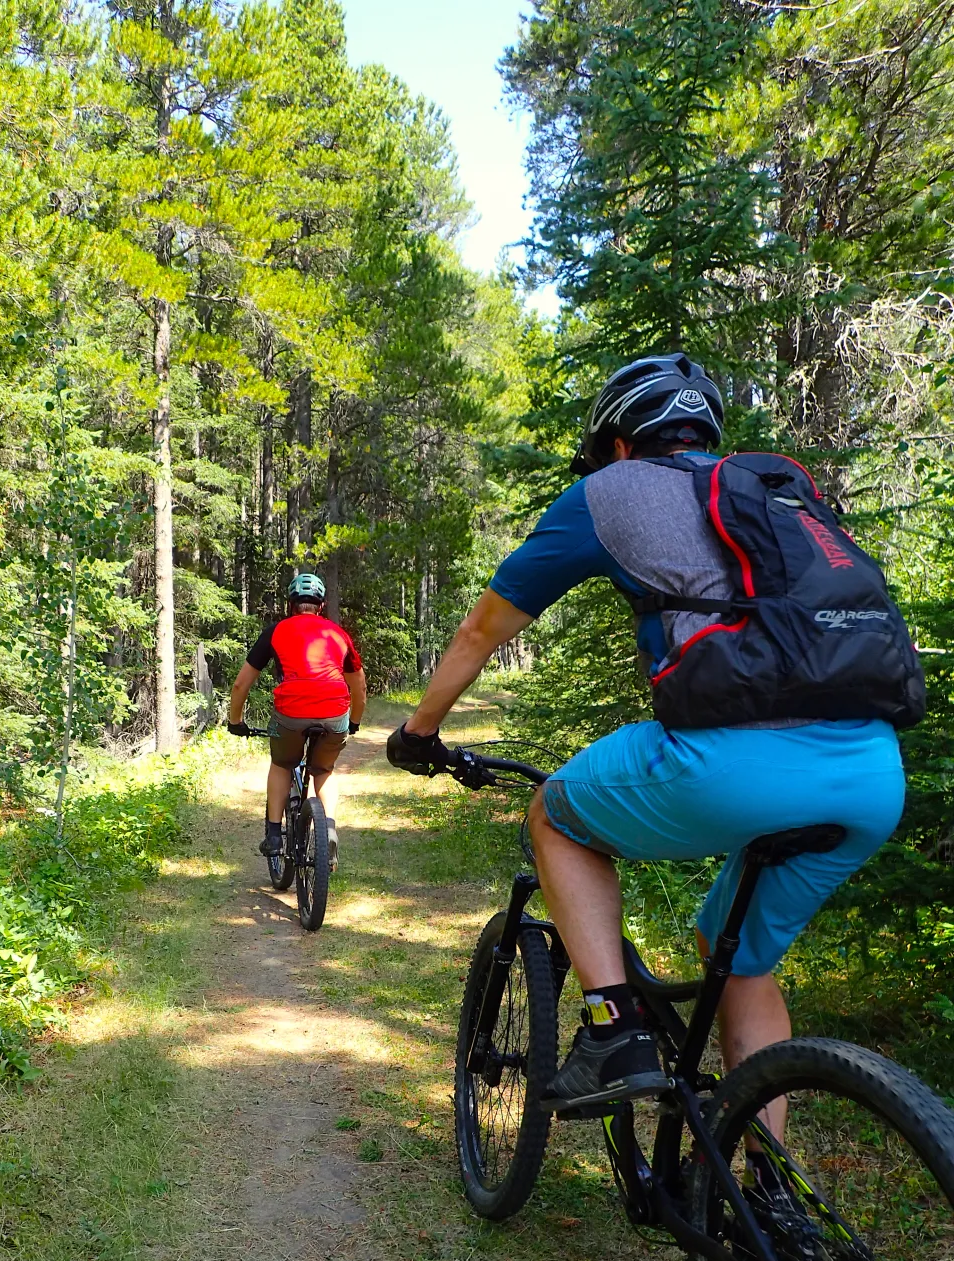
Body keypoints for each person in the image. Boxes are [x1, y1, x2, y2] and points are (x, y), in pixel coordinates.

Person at [387, 354, 908, 1122]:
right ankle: (769, 1203)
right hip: (870, 772)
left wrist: (419, 730)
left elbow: (481, 628)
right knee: (741, 965)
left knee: (557, 814)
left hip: (731, 763)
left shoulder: (607, 490)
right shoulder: (777, 494)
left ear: (621, 444)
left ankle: (614, 1027)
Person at [228, 572, 367, 868]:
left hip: (290, 714)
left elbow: (241, 685)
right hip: (334, 713)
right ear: (321, 604)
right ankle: (327, 829)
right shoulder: (338, 634)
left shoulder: (275, 632)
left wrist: (235, 720)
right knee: (324, 770)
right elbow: (359, 686)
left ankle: (275, 835)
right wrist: (353, 721)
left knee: (281, 764)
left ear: (291, 604)